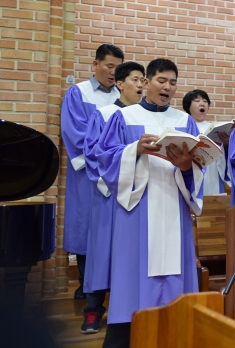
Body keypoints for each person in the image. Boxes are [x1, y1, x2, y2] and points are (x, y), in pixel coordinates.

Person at [96, 59, 204, 348]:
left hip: (174, 207)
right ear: (146, 82)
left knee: (174, 280)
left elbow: (196, 167)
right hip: (137, 210)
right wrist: (135, 149)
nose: (167, 87)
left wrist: (186, 166)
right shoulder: (124, 117)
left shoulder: (184, 121)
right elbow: (105, 160)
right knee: (132, 280)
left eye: (173, 83)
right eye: (161, 81)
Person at [81, 61, 144, 334]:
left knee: (130, 255)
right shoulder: (105, 114)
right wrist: (112, 183)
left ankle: (132, 311)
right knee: (102, 252)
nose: (140, 84)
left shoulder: (144, 117)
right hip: (109, 195)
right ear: (119, 83)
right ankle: (93, 309)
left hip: (138, 197)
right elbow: (93, 154)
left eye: (143, 80)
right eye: (135, 79)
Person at [60, 44, 124, 300]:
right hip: (89, 172)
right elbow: (75, 134)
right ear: (95, 64)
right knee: (86, 226)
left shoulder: (124, 96)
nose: (113, 72)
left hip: (118, 172)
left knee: (115, 227)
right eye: (109, 66)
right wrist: (102, 161)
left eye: (118, 68)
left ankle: (111, 286)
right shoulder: (79, 93)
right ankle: (87, 284)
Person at [183, 90, 230, 196]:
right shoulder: (185, 126)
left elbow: (223, 156)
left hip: (213, 172)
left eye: (205, 101)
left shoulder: (213, 128)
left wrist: (226, 144)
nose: (202, 104)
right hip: (192, 170)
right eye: (197, 101)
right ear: (188, 106)